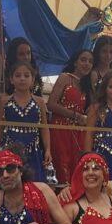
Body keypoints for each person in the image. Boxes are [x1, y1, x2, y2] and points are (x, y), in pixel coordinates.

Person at [46, 48, 94, 184]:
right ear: (75, 62)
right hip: (60, 129)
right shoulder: (65, 77)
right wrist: (75, 115)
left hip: (79, 133)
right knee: (62, 166)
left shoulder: (87, 85)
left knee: (77, 167)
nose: (87, 64)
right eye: (83, 60)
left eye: (90, 61)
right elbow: (51, 104)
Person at [0, 62, 51, 182]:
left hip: (33, 150)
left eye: (26, 75)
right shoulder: (4, 101)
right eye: (18, 75)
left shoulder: (39, 102)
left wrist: (48, 149)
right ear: (11, 79)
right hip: (9, 148)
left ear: (33, 80)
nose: (22, 78)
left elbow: (44, 128)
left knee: (34, 182)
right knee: (9, 180)